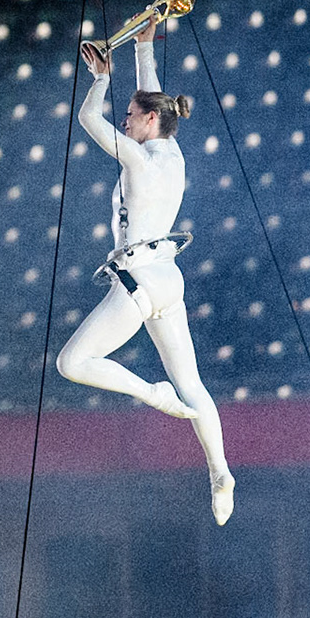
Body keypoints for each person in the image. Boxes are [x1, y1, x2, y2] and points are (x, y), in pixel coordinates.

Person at [60, 31, 234, 525]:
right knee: (194, 384)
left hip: (137, 280)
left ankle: (151, 393)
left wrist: (99, 80)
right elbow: (151, 92)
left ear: (151, 120)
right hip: (166, 279)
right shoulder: (172, 154)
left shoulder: (137, 160)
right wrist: (144, 44)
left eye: (132, 116)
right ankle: (220, 473)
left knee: (73, 362)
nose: (126, 119)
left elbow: (88, 119)